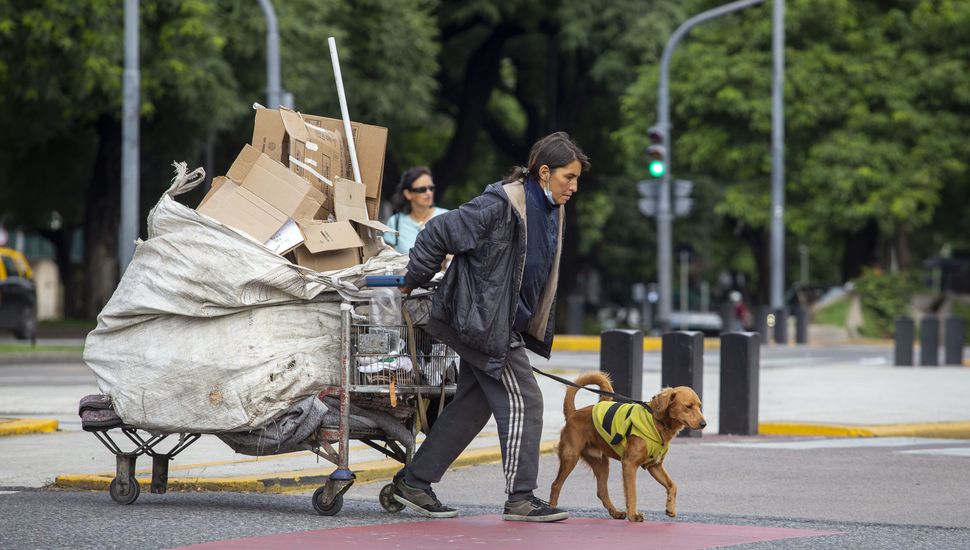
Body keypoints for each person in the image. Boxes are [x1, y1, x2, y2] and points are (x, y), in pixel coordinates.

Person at [392, 131, 589, 522]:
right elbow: (438, 231)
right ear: (544, 172)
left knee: (471, 405)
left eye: (577, 178)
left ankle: (413, 483)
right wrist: (414, 278)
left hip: (498, 323)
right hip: (483, 324)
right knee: (526, 401)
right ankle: (520, 497)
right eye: (569, 177)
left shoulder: (551, 208)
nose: (574, 186)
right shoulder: (500, 204)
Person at [383, 166, 448, 254]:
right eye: (422, 189)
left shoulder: (446, 217)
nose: (429, 193)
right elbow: (389, 258)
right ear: (408, 194)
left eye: (431, 188)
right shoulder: (395, 222)